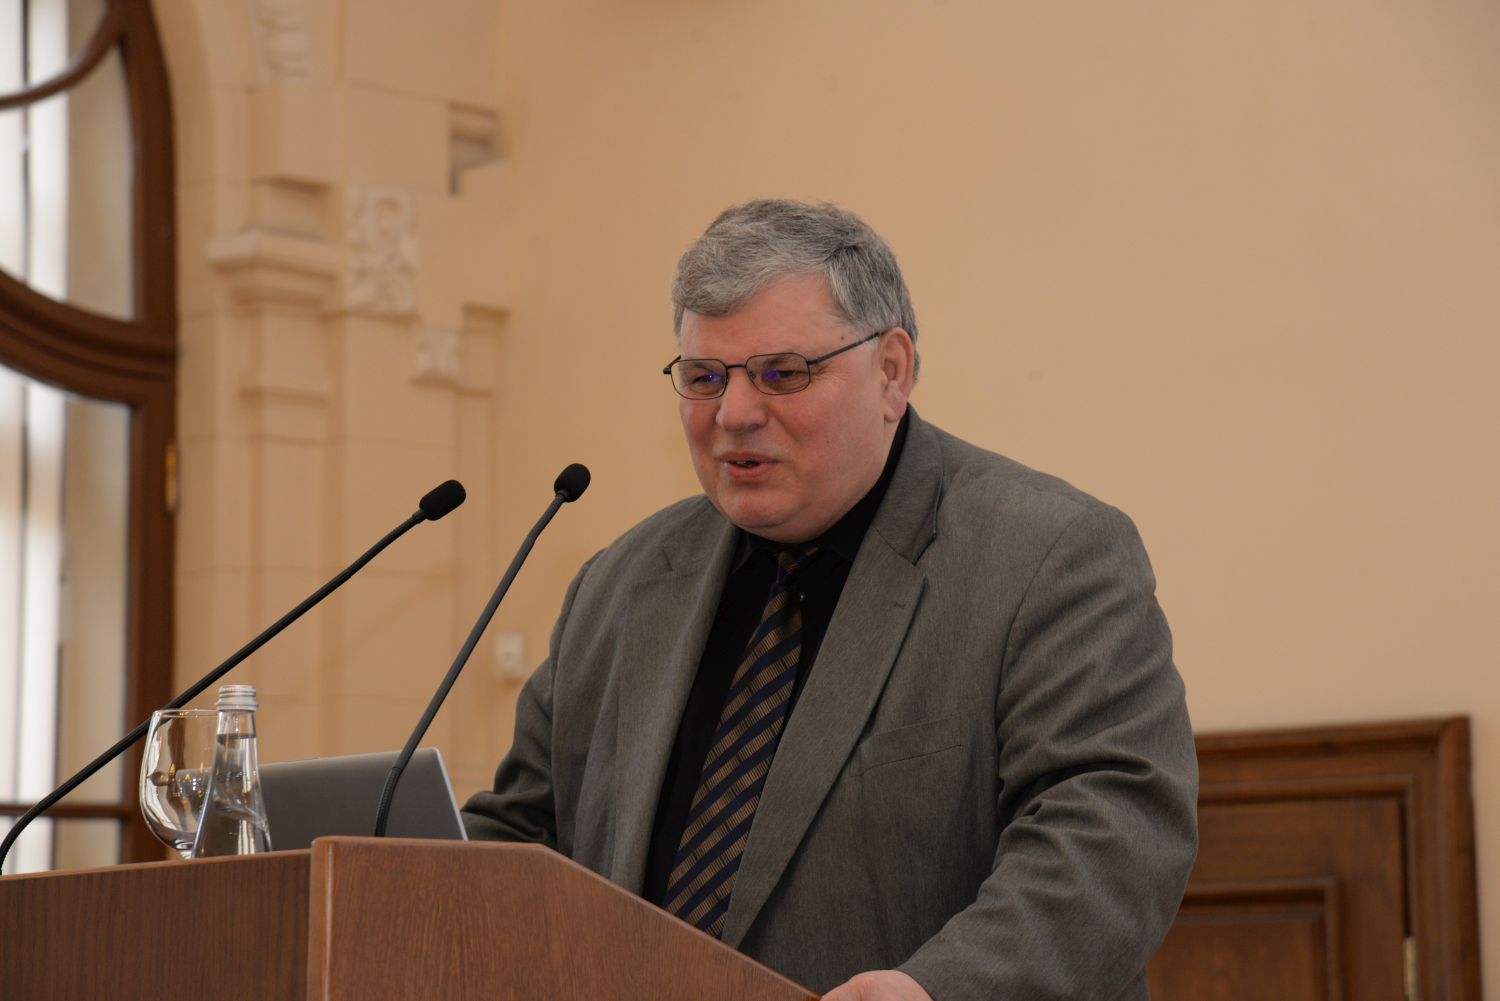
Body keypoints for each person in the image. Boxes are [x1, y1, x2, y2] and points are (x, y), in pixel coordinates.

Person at [463, 199, 1197, 1001]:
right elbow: (524, 841)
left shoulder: (1047, 556)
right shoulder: (620, 584)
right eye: (704, 378)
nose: (733, 413)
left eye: (782, 373)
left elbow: (1112, 837)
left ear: (891, 372)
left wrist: (933, 990)